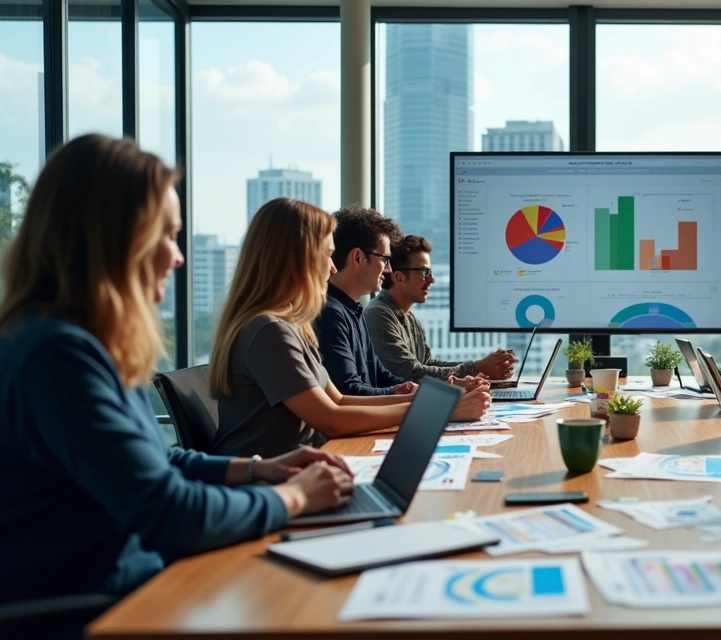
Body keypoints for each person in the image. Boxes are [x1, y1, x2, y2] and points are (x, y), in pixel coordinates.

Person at [0, 136, 352, 622]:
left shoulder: (80, 342)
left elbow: (155, 461)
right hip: (109, 611)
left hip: (148, 585)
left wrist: (257, 470)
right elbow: (170, 515)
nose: (177, 256)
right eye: (166, 235)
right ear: (113, 239)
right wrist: (295, 496)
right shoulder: (57, 356)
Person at [209, 198, 489, 459]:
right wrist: (440, 409)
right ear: (297, 259)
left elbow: (340, 401)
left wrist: (432, 400)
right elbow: (331, 420)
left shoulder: (292, 326)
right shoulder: (269, 331)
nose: (332, 268)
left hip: (302, 472)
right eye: (328, 255)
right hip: (270, 486)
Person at [366, 234, 516, 383]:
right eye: (424, 272)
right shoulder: (378, 315)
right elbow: (410, 373)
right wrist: (477, 367)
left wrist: (483, 368)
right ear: (398, 277)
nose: (432, 280)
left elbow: (428, 364)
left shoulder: (409, 318)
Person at [313, 206, 414, 396]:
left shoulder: (354, 310)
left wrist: (425, 390)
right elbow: (348, 391)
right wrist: (405, 395)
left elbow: (379, 375)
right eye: (385, 259)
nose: (389, 270)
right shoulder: (329, 314)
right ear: (358, 258)